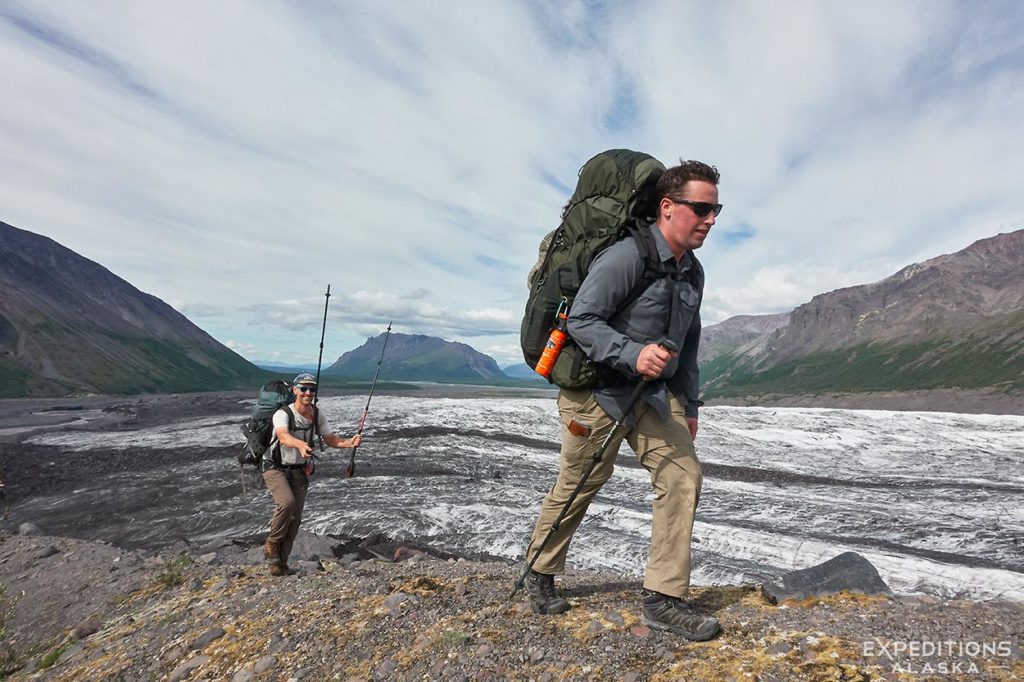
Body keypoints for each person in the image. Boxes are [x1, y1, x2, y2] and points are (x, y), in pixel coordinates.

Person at [522, 160, 722, 640]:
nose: (711, 220)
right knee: (580, 482)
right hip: (595, 392)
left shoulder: (692, 273)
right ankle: (539, 570)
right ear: (667, 207)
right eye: (702, 209)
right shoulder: (624, 257)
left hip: (653, 396)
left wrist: (689, 407)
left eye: (716, 210)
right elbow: (582, 321)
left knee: (682, 476)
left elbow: (687, 346)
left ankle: (664, 600)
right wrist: (633, 353)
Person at [262, 373, 362, 576]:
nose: (308, 393)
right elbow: (283, 436)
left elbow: (331, 439)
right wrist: (300, 444)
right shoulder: (283, 414)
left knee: (295, 518)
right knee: (286, 503)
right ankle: (271, 543)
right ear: (295, 390)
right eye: (304, 388)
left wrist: (350, 442)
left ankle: (280, 564)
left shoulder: (317, 415)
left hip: (299, 469)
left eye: (312, 389)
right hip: (275, 467)